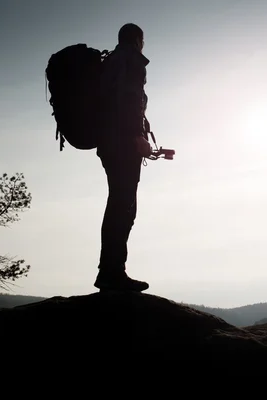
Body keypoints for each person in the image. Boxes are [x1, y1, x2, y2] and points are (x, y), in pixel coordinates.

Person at [93, 23, 153, 292]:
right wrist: (136, 137)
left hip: (109, 143)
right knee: (123, 207)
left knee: (119, 203)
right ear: (138, 40)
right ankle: (112, 272)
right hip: (122, 144)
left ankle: (111, 270)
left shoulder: (111, 61)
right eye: (143, 40)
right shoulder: (131, 59)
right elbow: (129, 100)